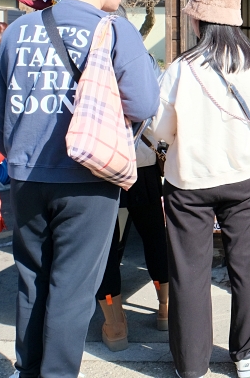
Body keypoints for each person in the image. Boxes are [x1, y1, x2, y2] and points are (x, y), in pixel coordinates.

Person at [0, 0, 160, 378]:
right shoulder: (113, 29)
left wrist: (18, 154)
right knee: (72, 287)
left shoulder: (17, 30)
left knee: (31, 277)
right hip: (88, 175)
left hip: (26, 173)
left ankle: (29, 370)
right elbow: (144, 104)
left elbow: (0, 111)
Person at [148, 0, 250, 378]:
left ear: (197, 22)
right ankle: (246, 353)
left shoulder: (180, 69)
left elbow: (159, 127)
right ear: (235, 21)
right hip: (243, 177)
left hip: (189, 180)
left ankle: (191, 364)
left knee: (188, 273)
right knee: (247, 265)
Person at [95, 138, 171, 351]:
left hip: (101, 165)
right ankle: (165, 308)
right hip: (141, 164)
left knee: (105, 247)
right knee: (155, 237)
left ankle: (115, 325)